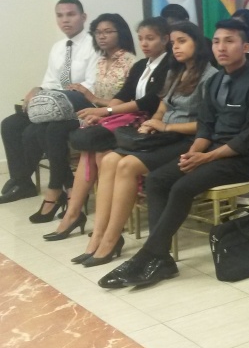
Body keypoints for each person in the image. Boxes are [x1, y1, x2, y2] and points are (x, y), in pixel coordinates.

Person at [96, 19, 249, 289]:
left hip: (243, 159)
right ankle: (162, 258)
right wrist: (193, 154)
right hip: (211, 152)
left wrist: (207, 158)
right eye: (217, 41)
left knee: (182, 187)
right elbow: (206, 127)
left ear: (246, 47)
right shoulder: (216, 81)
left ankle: (148, 256)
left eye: (229, 41)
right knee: (157, 179)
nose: (221, 47)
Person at [72, 22, 216, 266]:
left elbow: (207, 125)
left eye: (182, 41)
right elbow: (162, 108)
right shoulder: (175, 71)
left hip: (187, 139)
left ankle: (110, 240)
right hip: (163, 136)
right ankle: (100, 236)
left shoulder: (211, 77)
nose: (176, 47)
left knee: (127, 165)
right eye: (174, 43)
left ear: (197, 43)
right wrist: (152, 123)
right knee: (109, 160)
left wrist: (166, 127)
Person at [45, 18, 173, 241]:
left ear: (165, 39)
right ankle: (76, 214)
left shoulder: (169, 65)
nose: (144, 43)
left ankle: (100, 222)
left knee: (99, 150)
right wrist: (102, 113)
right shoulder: (142, 65)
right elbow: (123, 95)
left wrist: (108, 111)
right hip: (130, 120)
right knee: (92, 150)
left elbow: (149, 102)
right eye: (141, 38)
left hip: (149, 123)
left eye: (150, 38)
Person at [33, 12, 136, 225]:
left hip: (120, 116)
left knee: (57, 130)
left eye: (108, 32)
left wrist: (92, 99)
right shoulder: (101, 61)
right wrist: (91, 103)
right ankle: (68, 190)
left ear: (121, 33)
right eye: (98, 32)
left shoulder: (130, 62)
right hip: (97, 113)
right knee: (45, 128)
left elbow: (127, 101)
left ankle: (61, 193)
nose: (102, 36)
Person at [1, 0, 100, 206]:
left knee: (32, 132)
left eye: (71, 14)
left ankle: (62, 185)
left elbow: (92, 85)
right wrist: (37, 90)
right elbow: (50, 82)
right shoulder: (58, 47)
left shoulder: (94, 45)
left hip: (79, 105)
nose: (65, 20)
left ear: (83, 17)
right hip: (52, 105)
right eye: (60, 15)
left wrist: (57, 95)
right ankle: (23, 181)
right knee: (10, 125)